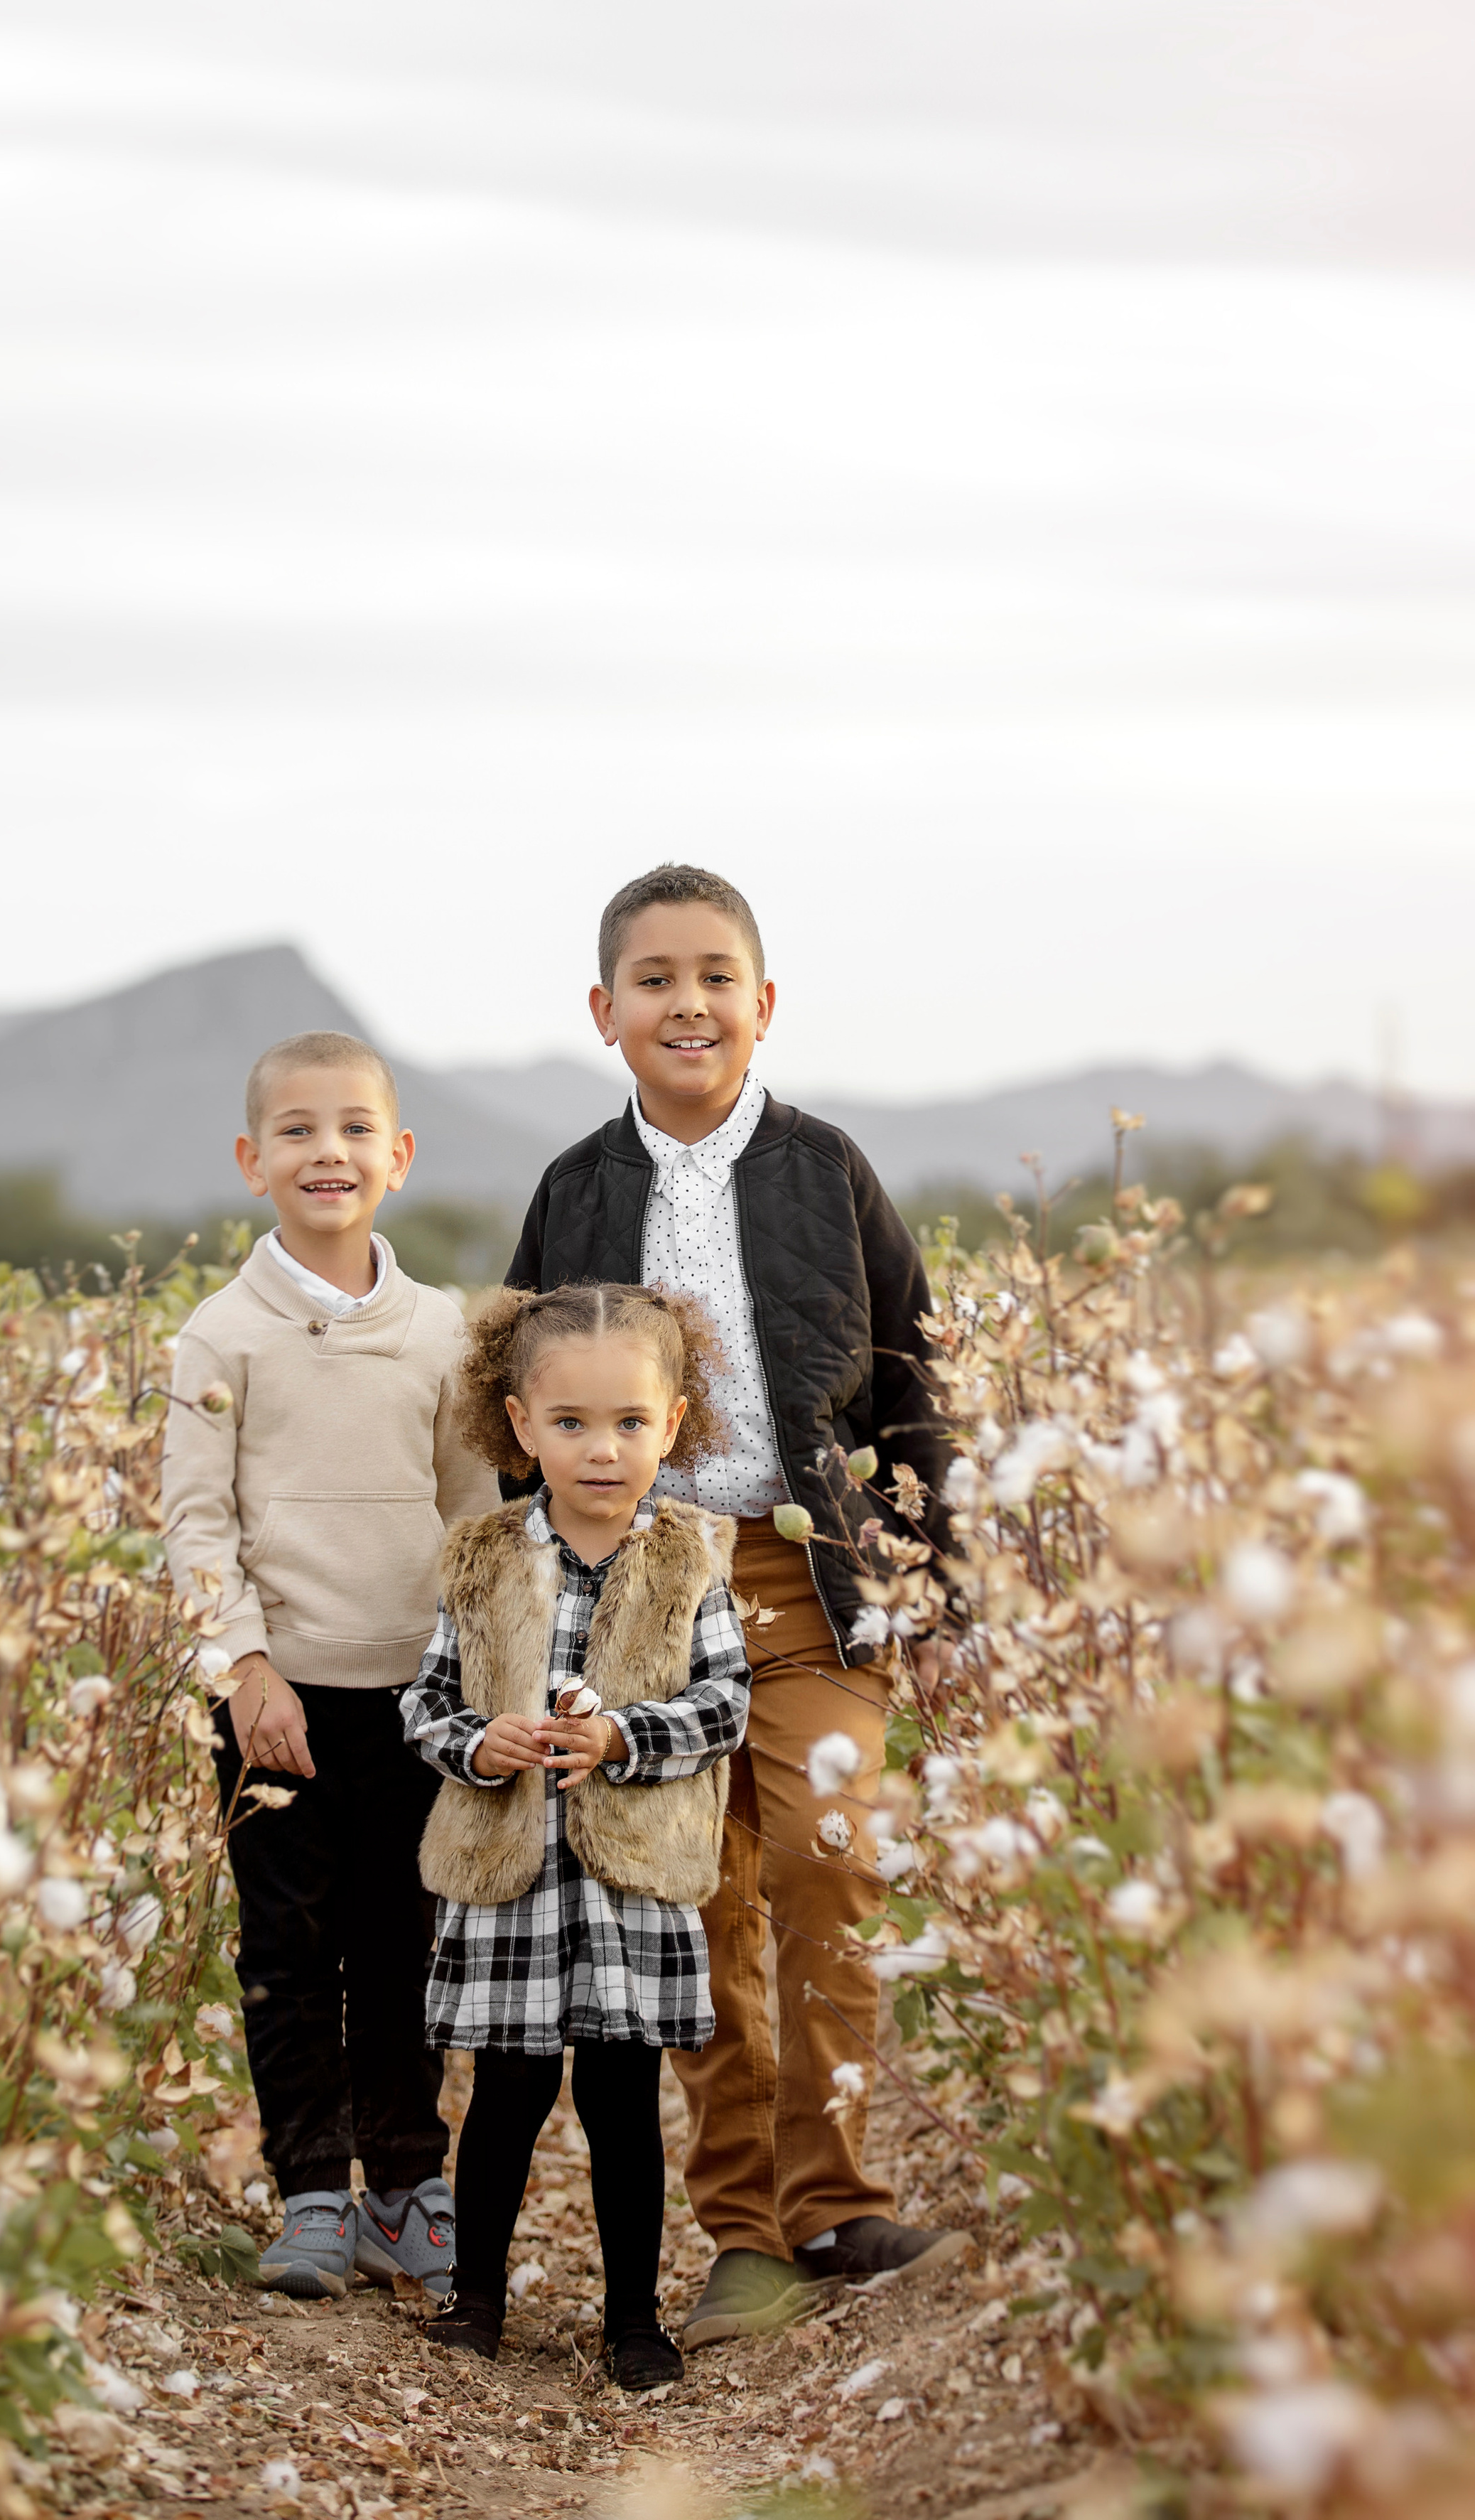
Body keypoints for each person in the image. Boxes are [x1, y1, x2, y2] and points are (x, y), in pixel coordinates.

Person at [504, 863, 971, 2348]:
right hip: (645, 1589)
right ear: (604, 1013)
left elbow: (909, 1377)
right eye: (652, 979)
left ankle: (835, 2196)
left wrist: (936, 1578)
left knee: (828, 1863)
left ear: (761, 1005)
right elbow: (512, 1396)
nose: (684, 1002)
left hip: (809, 1574)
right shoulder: (575, 1189)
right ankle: (745, 2236)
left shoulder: (826, 1169)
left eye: (713, 976)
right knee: (691, 1898)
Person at [162, 1029, 497, 2305]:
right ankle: (310, 2190)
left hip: (412, 1699)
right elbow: (196, 1522)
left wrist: (471, 1678)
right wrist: (245, 1667)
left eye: (355, 1128)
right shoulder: (222, 1334)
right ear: (253, 1160)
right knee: (288, 1953)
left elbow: (473, 1518)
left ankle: (407, 2190)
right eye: (297, 1130)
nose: (328, 1151)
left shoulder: (443, 1334)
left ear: (398, 1157)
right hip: (275, 1705)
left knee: (405, 1947)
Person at [401, 1283, 749, 2392]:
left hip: (629, 1883)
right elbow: (424, 1704)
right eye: (571, 1424)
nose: (603, 1450)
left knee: (619, 2099)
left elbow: (725, 1703)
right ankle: (479, 2299)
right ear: (518, 1426)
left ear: (675, 1424)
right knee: (502, 2097)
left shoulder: (691, 1558)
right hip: (511, 1880)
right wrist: (480, 1743)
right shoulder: (484, 1556)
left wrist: (626, 1738)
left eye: (631, 1423)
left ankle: (634, 2320)